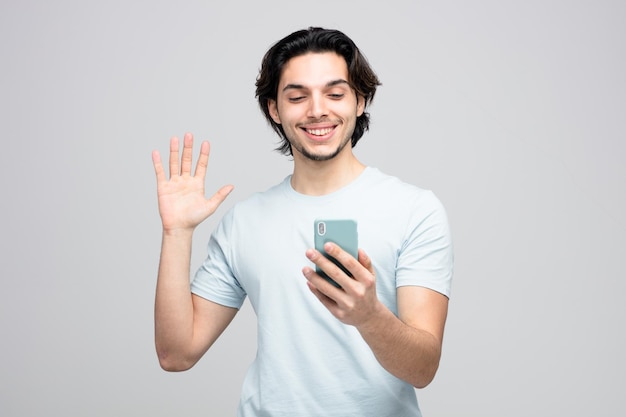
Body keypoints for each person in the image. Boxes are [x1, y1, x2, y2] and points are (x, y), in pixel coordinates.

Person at [152, 27, 453, 417]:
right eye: (297, 97)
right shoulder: (244, 222)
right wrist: (177, 234)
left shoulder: (415, 210)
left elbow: (423, 368)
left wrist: (369, 316)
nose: (316, 110)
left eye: (335, 93)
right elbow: (176, 354)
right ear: (274, 109)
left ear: (360, 100)